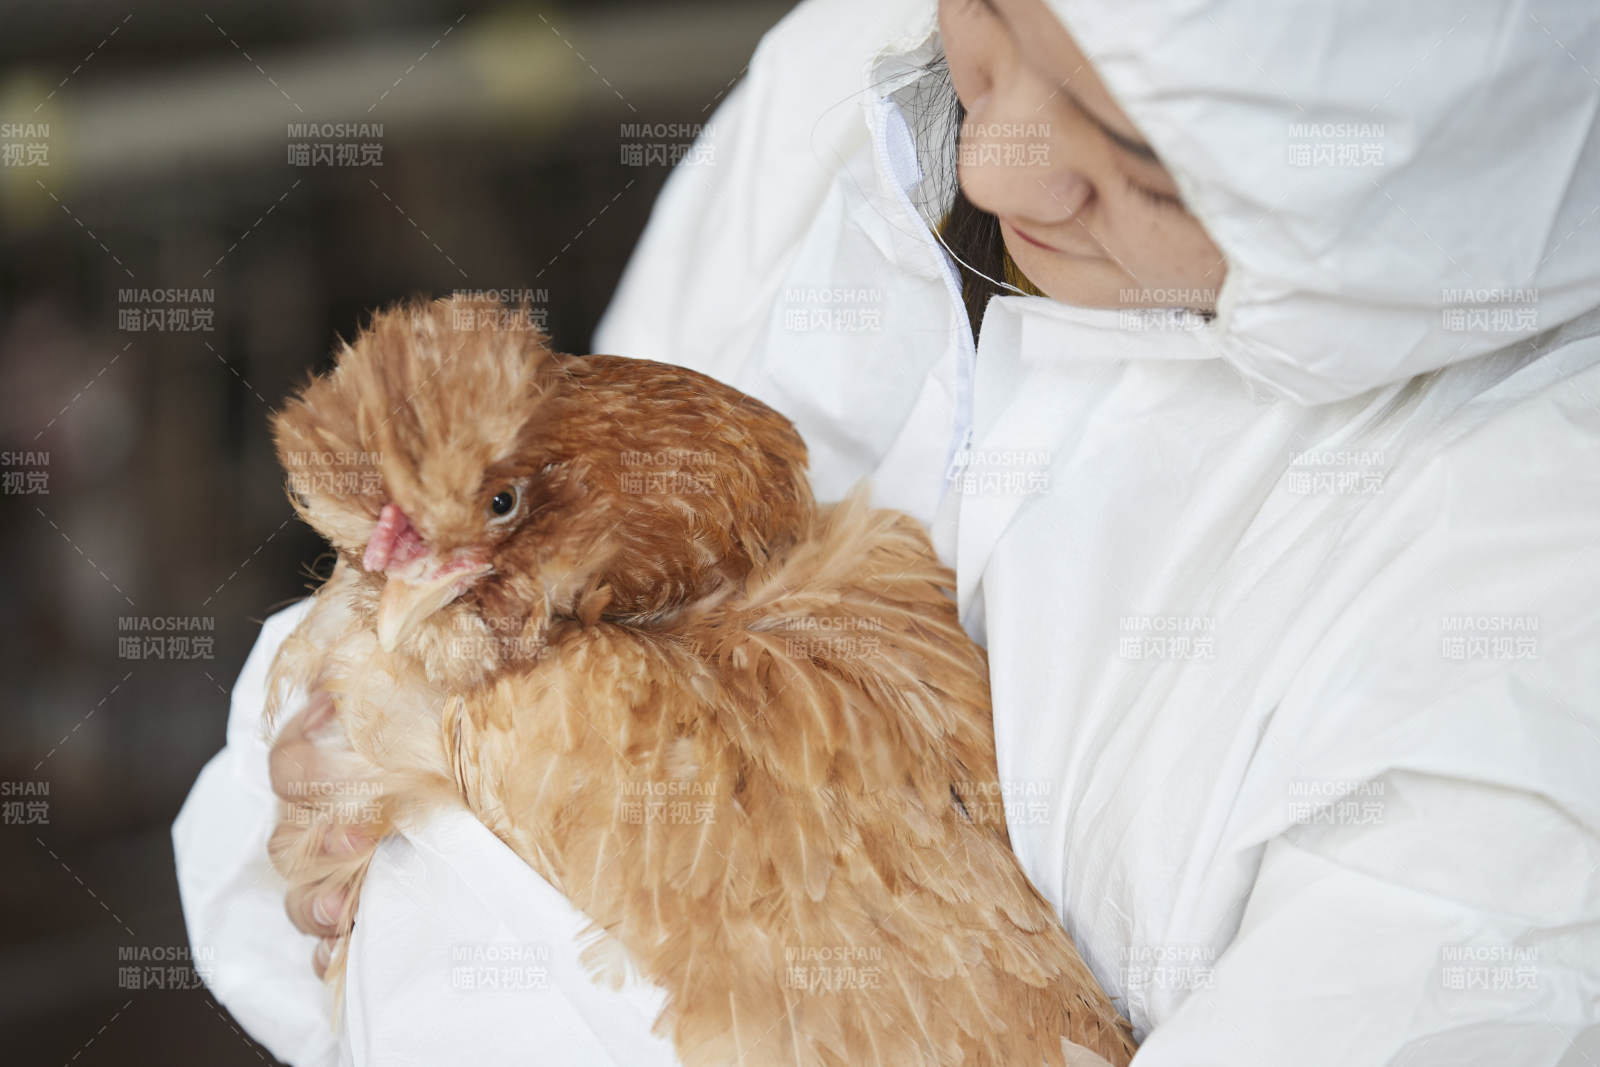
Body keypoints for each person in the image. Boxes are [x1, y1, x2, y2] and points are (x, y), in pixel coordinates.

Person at [174, 0, 1600, 1063]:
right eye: (991, 29)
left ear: (1406, 176)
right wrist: (324, 727)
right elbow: (550, 516)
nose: (992, 161)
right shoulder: (855, 65)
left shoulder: (1529, 624)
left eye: (1149, 165)